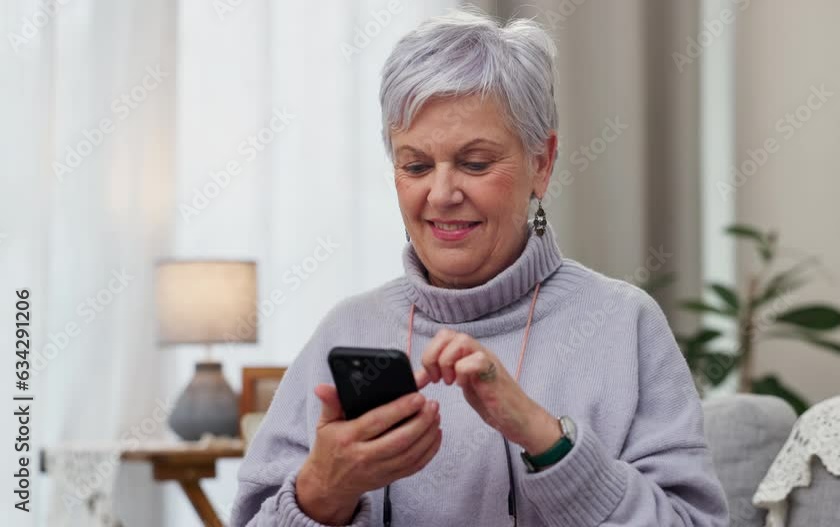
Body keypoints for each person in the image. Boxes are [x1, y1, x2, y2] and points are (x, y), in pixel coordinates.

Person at [231, 9, 729, 527]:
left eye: (475, 163)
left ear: (543, 162)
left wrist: (546, 439)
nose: (442, 195)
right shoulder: (345, 330)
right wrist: (322, 492)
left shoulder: (625, 325)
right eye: (416, 165)